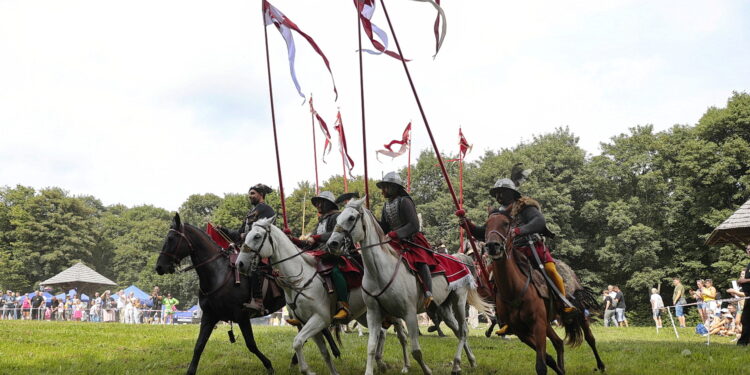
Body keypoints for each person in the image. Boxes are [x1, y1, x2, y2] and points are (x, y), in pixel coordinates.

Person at [457, 168, 574, 335]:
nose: (498, 196)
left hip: (532, 247)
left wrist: (519, 231)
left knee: (550, 270)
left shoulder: (525, 207)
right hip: (511, 252)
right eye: (496, 193)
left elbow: (539, 222)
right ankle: (504, 318)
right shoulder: (497, 213)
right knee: (494, 280)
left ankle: (563, 304)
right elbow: (484, 232)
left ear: (511, 193)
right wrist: (467, 224)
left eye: (501, 192)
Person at [377, 172, 439, 309]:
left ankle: (429, 293)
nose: (382, 192)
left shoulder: (405, 201)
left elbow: (413, 225)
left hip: (411, 239)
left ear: (394, 187)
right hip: (393, 241)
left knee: (420, 261)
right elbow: (384, 227)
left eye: (385, 187)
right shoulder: (385, 206)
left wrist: (395, 234)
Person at [221, 183, 275, 314]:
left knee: (252, 266)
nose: (249, 196)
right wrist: (224, 230)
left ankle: (258, 301)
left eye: (252, 193)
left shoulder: (267, 210)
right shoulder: (249, 213)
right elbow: (239, 233)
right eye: (249, 193)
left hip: (260, 247)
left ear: (261, 195)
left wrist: (245, 236)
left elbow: (260, 231)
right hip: (247, 246)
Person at [300, 191, 351, 321]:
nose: (317, 205)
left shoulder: (336, 217)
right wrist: (293, 240)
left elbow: (335, 234)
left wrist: (315, 238)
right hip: (320, 253)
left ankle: (343, 305)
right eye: (316, 203)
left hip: (336, 252)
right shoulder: (321, 220)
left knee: (335, 271)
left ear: (328, 204)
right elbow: (311, 240)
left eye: (320, 202)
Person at [736, 243, 750, 346]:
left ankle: (743, 342)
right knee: (745, 319)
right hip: (748, 295)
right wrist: (740, 282)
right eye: (747, 249)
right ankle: (743, 341)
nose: (748, 251)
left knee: (745, 318)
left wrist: (744, 280)